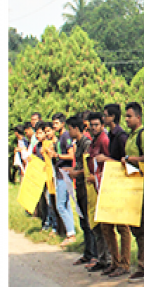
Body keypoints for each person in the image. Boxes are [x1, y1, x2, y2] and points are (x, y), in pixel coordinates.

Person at [94, 103, 133, 279]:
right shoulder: (111, 135)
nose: (104, 118)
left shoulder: (121, 136)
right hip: (110, 183)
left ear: (112, 117)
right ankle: (114, 261)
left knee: (122, 226)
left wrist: (107, 159)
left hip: (119, 183)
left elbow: (124, 161)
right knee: (106, 224)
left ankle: (124, 263)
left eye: (106, 115)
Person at [122, 102, 144, 282]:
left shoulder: (143, 135)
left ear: (138, 117)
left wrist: (130, 159)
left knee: (140, 227)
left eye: (129, 116)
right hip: (132, 187)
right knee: (135, 227)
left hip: (142, 188)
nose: (126, 119)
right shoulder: (131, 136)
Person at [65, 115, 100, 267]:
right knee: (83, 221)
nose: (68, 131)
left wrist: (77, 173)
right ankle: (87, 253)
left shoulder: (86, 143)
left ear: (76, 128)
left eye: (70, 128)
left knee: (89, 220)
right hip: (78, 186)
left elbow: (88, 168)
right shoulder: (77, 143)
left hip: (87, 187)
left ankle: (94, 254)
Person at [85, 111, 113, 274]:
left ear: (102, 126)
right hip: (93, 187)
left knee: (105, 225)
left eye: (96, 125)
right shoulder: (93, 141)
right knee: (96, 224)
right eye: (91, 125)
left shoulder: (104, 140)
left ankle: (109, 258)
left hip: (103, 185)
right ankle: (102, 258)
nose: (94, 128)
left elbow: (110, 161)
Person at [50, 113, 78, 246]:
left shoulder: (66, 136)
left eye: (56, 123)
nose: (54, 126)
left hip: (64, 173)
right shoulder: (59, 137)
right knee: (65, 204)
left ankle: (71, 234)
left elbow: (71, 155)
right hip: (60, 173)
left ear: (62, 123)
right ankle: (70, 232)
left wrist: (57, 155)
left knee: (60, 205)